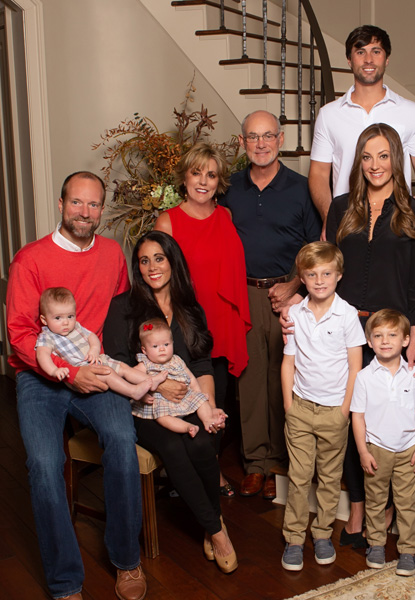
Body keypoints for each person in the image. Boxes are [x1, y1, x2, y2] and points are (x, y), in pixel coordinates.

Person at [6, 171, 146, 600]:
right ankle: (66, 580)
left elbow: (122, 315)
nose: (85, 212)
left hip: (94, 367)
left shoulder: (111, 254)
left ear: (102, 209)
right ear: (61, 203)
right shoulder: (30, 259)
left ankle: (127, 559)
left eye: (94, 204)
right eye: (76, 203)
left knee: (122, 441)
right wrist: (63, 371)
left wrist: (121, 368)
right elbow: (19, 332)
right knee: (45, 465)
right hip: (40, 377)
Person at [313, 122, 415, 547]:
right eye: (367, 157)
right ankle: (359, 513)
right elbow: (325, 270)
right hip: (344, 332)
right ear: (358, 162)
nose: (375, 165)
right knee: (349, 421)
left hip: (389, 336)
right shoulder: (340, 207)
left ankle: (384, 512)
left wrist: (414, 339)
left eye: (384, 156)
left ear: (396, 160)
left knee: (386, 421)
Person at [102, 230, 238, 574]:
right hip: (144, 407)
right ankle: (218, 531)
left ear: (172, 262)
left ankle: (210, 520)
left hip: (188, 399)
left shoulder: (189, 307)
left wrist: (205, 406)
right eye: (143, 261)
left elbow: (202, 363)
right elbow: (116, 364)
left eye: (158, 258)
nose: (151, 267)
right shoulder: (124, 307)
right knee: (176, 449)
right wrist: (160, 387)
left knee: (205, 442)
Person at [219, 110, 322, 499]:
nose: (260, 144)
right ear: (242, 142)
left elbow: (316, 248)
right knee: (249, 380)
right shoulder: (230, 189)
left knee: (290, 380)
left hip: (290, 296)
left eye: (267, 136)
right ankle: (255, 464)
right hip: (243, 293)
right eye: (252, 137)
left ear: (280, 139)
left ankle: (281, 463)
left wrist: (295, 286)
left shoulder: (301, 187)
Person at [154, 141, 250, 496]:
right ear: (185, 176)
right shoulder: (168, 220)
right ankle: (188, 473)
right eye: (197, 172)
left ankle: (211, 471)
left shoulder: (225, 216)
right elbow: (157, 280)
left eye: (211, 174)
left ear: (219, 181)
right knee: (184, 400)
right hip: (185, 326)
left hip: (220, 325)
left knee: (217, 402)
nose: (204, 181)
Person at [280, 242, 365, 572]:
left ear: (338, 276)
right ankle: (294, 539)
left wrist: (345, 410)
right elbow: (288, 363)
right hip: (300, 408)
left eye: (326, 273)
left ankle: (323, 534)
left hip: (334, 412)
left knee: (329, 479)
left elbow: (355, 366)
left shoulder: (346, 315)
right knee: (299, 477)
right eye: (312, 274)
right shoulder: (295, 315)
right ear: (301, 278)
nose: (319, 280)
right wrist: (289, 405)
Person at [309, 24, 415, 226]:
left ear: (386, 59)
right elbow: (318, 173)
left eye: (376, 51)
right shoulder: (328, 115)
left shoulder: (412, 112)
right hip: (346, 222)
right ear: (349, 60)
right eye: (361, 52)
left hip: (396, 223)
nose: (368, 59)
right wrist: (328, 216)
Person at [351, 309, 415, 577]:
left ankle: (408, 550)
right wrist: (362, 450)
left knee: (407, 502)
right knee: (375, 501)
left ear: (405, 340)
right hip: (377, 450)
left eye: (392, 335)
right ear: (369, 342)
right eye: (378, 335)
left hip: (408, 449)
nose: (385, 340)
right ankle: (375, 545)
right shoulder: (364, 377)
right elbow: (357, 417)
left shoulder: (413, 374)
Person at [35, 286, 166, 399]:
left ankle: (150, 381)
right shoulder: (47, 336)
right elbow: (42, 355)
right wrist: (54, 371)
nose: (66, 322)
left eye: (70, 316)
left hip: (98, 360)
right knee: (109, 374)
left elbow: (92, 337)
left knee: (124, 368)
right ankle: (133, 392)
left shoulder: (76, 326)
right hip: (82, 372)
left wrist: (94, 350)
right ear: (44, 320)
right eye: (58, 318)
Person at [132, 317, 221, 437]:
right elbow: (132, 376)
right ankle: (187, 427)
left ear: (172, 344)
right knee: (161, 417)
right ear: (144, 350)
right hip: (161, 402)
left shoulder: (177, 360)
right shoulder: (145, 364)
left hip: (184, 397)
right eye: (155, 346)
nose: (162, 349)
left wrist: (199, 393)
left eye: (166, 344)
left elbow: (191, 379)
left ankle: (208, 420)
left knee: (202, 401)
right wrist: (144, 392)